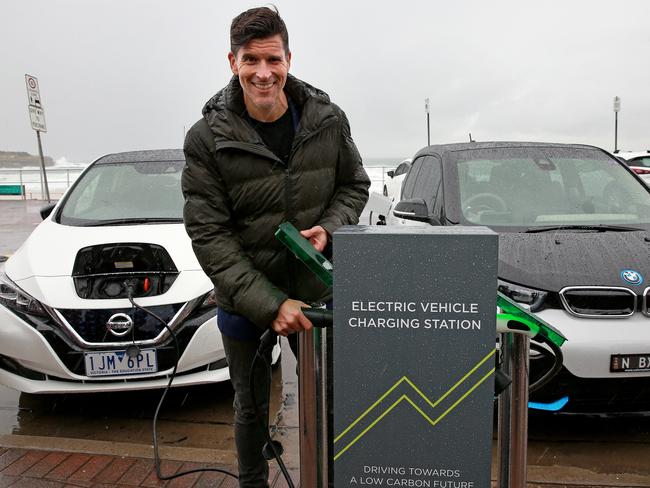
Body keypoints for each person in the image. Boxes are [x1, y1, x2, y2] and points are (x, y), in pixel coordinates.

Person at [181, 6, 370, 487]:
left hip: (317, 291)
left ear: (288, 58)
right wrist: (269, 304)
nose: (263, 73)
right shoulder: (207, 139)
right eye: (250, 60)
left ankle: (332, 477)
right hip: (246, 297)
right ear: (232, 62)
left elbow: (354, 186)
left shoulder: (327, 119)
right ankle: (252, 482)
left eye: (272, 59)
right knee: (250, 406)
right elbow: (209, 234)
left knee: (331, 398)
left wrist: (329, 226)